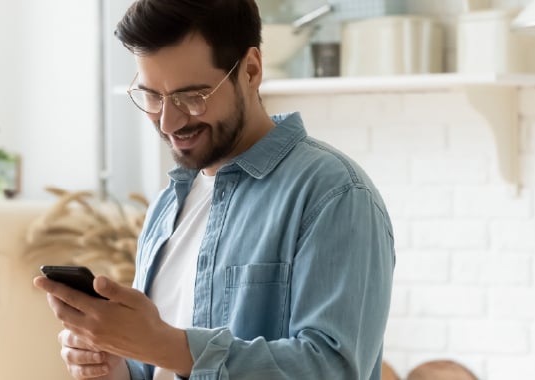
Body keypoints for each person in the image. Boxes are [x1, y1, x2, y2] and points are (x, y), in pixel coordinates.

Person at [32, 1, 395, 379]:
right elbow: (162, 369)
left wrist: (162, 344)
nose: (169, 122)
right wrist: (114, 363)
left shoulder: (333, 194)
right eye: (153, 96)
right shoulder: (166, 207)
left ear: (251, 70)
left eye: (193, 97)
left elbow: (332, 369)